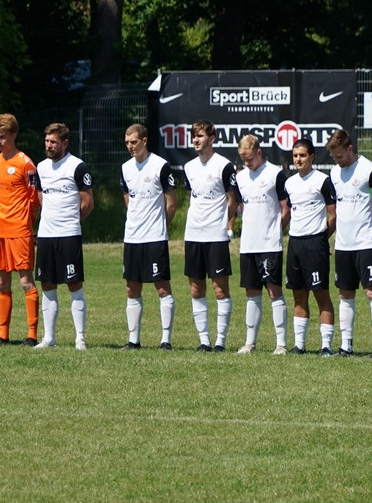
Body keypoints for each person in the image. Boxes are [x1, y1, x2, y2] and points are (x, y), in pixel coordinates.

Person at [326, 129, 372, 359]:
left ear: (350, 148)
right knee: (345, 295)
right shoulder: (334, 173)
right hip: (343, 245)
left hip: (366, 244)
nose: (338, 161)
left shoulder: (370, 171)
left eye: (340, 156)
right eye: (334, 157)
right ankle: (346, 346)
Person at [34, 123, 94, 350]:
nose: (49, 145)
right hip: (46, 235)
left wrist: (70, 222)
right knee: (47, 284)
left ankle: (80, 338)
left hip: (69, 235)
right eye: (47, 141)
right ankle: (49, 338)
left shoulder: (77, 166)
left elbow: (87, 203)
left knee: (73, 283)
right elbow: (40, 196)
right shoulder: (41, 167)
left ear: (65, 143)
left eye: (53, 142)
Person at [119, 123, 177, 350]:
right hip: (132, 237)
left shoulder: (160, 166)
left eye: (133, 142)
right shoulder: (125, 168)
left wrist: (160, 226)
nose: (130, 146)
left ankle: (166, 340)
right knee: (131, 288)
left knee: (161, 287)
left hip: (154, 237)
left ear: (144, 141)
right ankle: (133, 341)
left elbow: (171, 203)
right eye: (127, 143)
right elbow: (128, 198)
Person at [183, 120, 237, 352]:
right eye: (194, 136)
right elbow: (191, 196)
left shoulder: (224, 166)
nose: (196, 140)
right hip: (193, 235)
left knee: (220, 289)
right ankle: (204, 341)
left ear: (212, 139)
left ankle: (220, 341)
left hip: (216, 236)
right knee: (196, 289)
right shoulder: (188, 167)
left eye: (200, 136)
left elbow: (233, 200)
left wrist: (222, 224)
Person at [234, 134, 290, 354]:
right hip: (248, 244)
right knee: (251, 292)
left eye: (249, 158)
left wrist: (276, 231)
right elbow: (242, 207)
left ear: (259, 152)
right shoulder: (240, 178)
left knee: (274, 291)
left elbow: (286, 209)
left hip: (270, 245)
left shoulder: (275, 174)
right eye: (243, 159)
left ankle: (281, 344)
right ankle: (250, 343)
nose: (247, 163)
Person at [0, 113, 40, 346]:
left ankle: (32, 335)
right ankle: (3, 335)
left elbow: (35, 199)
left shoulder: (25, 164)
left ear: (13, 135)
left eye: (3, 136)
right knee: (1, 284)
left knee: (26, 282)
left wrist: (27, 221)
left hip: (19, 230)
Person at [283, 137, 336, 355]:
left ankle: (326, 346)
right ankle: (299, 345)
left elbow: (334, 215)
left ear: (312, 157)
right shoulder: (289, 183)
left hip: (315, 243)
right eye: (295, 155)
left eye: (303, 155)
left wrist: (322, 237)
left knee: (320, 294)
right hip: (295, 243)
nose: (298, 159)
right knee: (298, 295)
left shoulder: (323, 181)